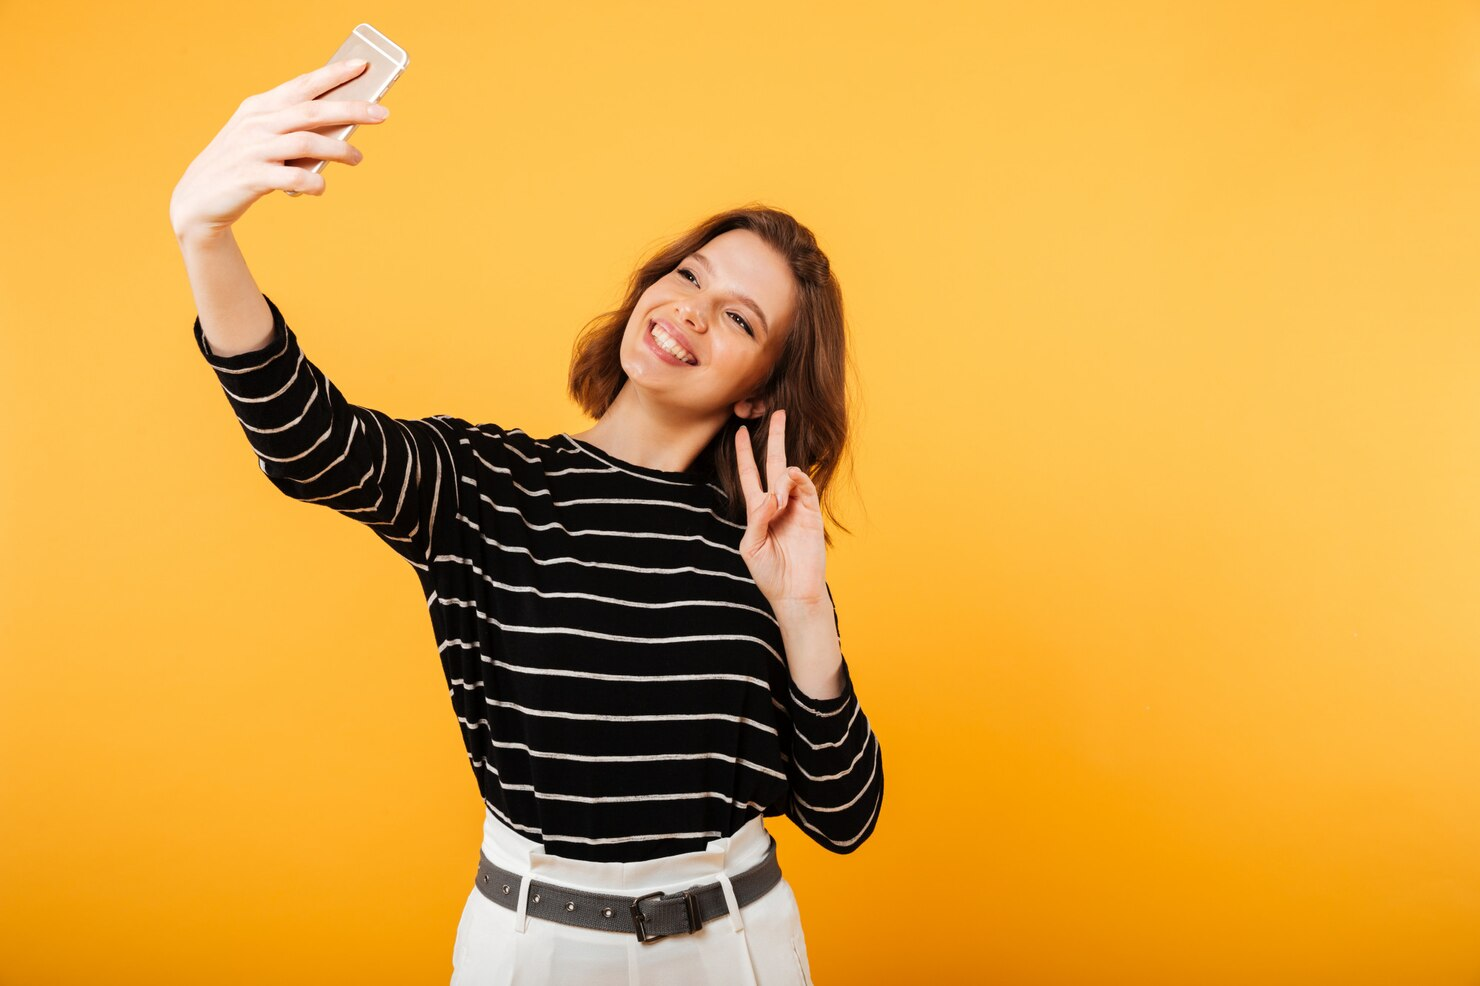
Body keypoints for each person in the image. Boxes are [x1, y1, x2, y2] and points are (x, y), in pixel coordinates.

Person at [171, 58, 883, 986]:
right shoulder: (494, 484)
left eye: (738, 319)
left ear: (760, 394)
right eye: (688, 276)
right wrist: (205, 235)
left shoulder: (757, 546)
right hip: (533, 948)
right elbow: (313, 443)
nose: (690, 313)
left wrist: (803, 615)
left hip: (737, 945)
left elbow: (844, 816)